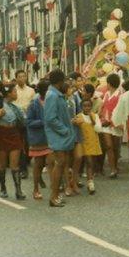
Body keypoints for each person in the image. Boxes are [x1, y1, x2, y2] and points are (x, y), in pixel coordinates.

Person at [44, 70, 77, 207]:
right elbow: (51, 118)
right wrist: (64, 130)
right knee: (59, 163)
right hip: (57, 135)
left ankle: (56, 195)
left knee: (62, 163)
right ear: (59, 81)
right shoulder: (52, 95)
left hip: (61, 135)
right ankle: (53, 196)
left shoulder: (56, 94)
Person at [26, 80, 51, 200]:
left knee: (52, 162)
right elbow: (29, 121)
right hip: (39, 138)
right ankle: (35, 188)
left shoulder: (52, 101)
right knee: (38, 164)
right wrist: (42, 122)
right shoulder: (34, 104)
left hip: (51, 138)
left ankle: (55, 189)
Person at [76, 99, 103, 195]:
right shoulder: (78, 117)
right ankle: (76, 179)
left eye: (88, 106)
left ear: (91, 107)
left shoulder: (95, 116)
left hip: (92, 143)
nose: (87, 108)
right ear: (81, 107)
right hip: (81, 142)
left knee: (90, 162)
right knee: (79, 162)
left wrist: (93, 120)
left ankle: (90, 182)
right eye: (84, 106)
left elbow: (99, 129)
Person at [99, 73, 123, 178]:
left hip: (116, 124)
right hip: (106, 124)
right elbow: (102, 107)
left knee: (116, 147)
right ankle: (113, 169)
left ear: (110, 83)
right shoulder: (106, 94)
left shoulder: (120, 95)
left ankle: (115, 166)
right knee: (109, 146)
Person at [14, 70, 35, 179]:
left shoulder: (31, 91)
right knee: (19, 143)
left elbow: (33, 105)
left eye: (23, 76)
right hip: (16, 120)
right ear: (16, 78)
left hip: (28, 120)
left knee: (27, 143)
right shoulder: (13, 91)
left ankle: (25, 161)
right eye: (19, 76)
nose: (22, 78)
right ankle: (22, 167)